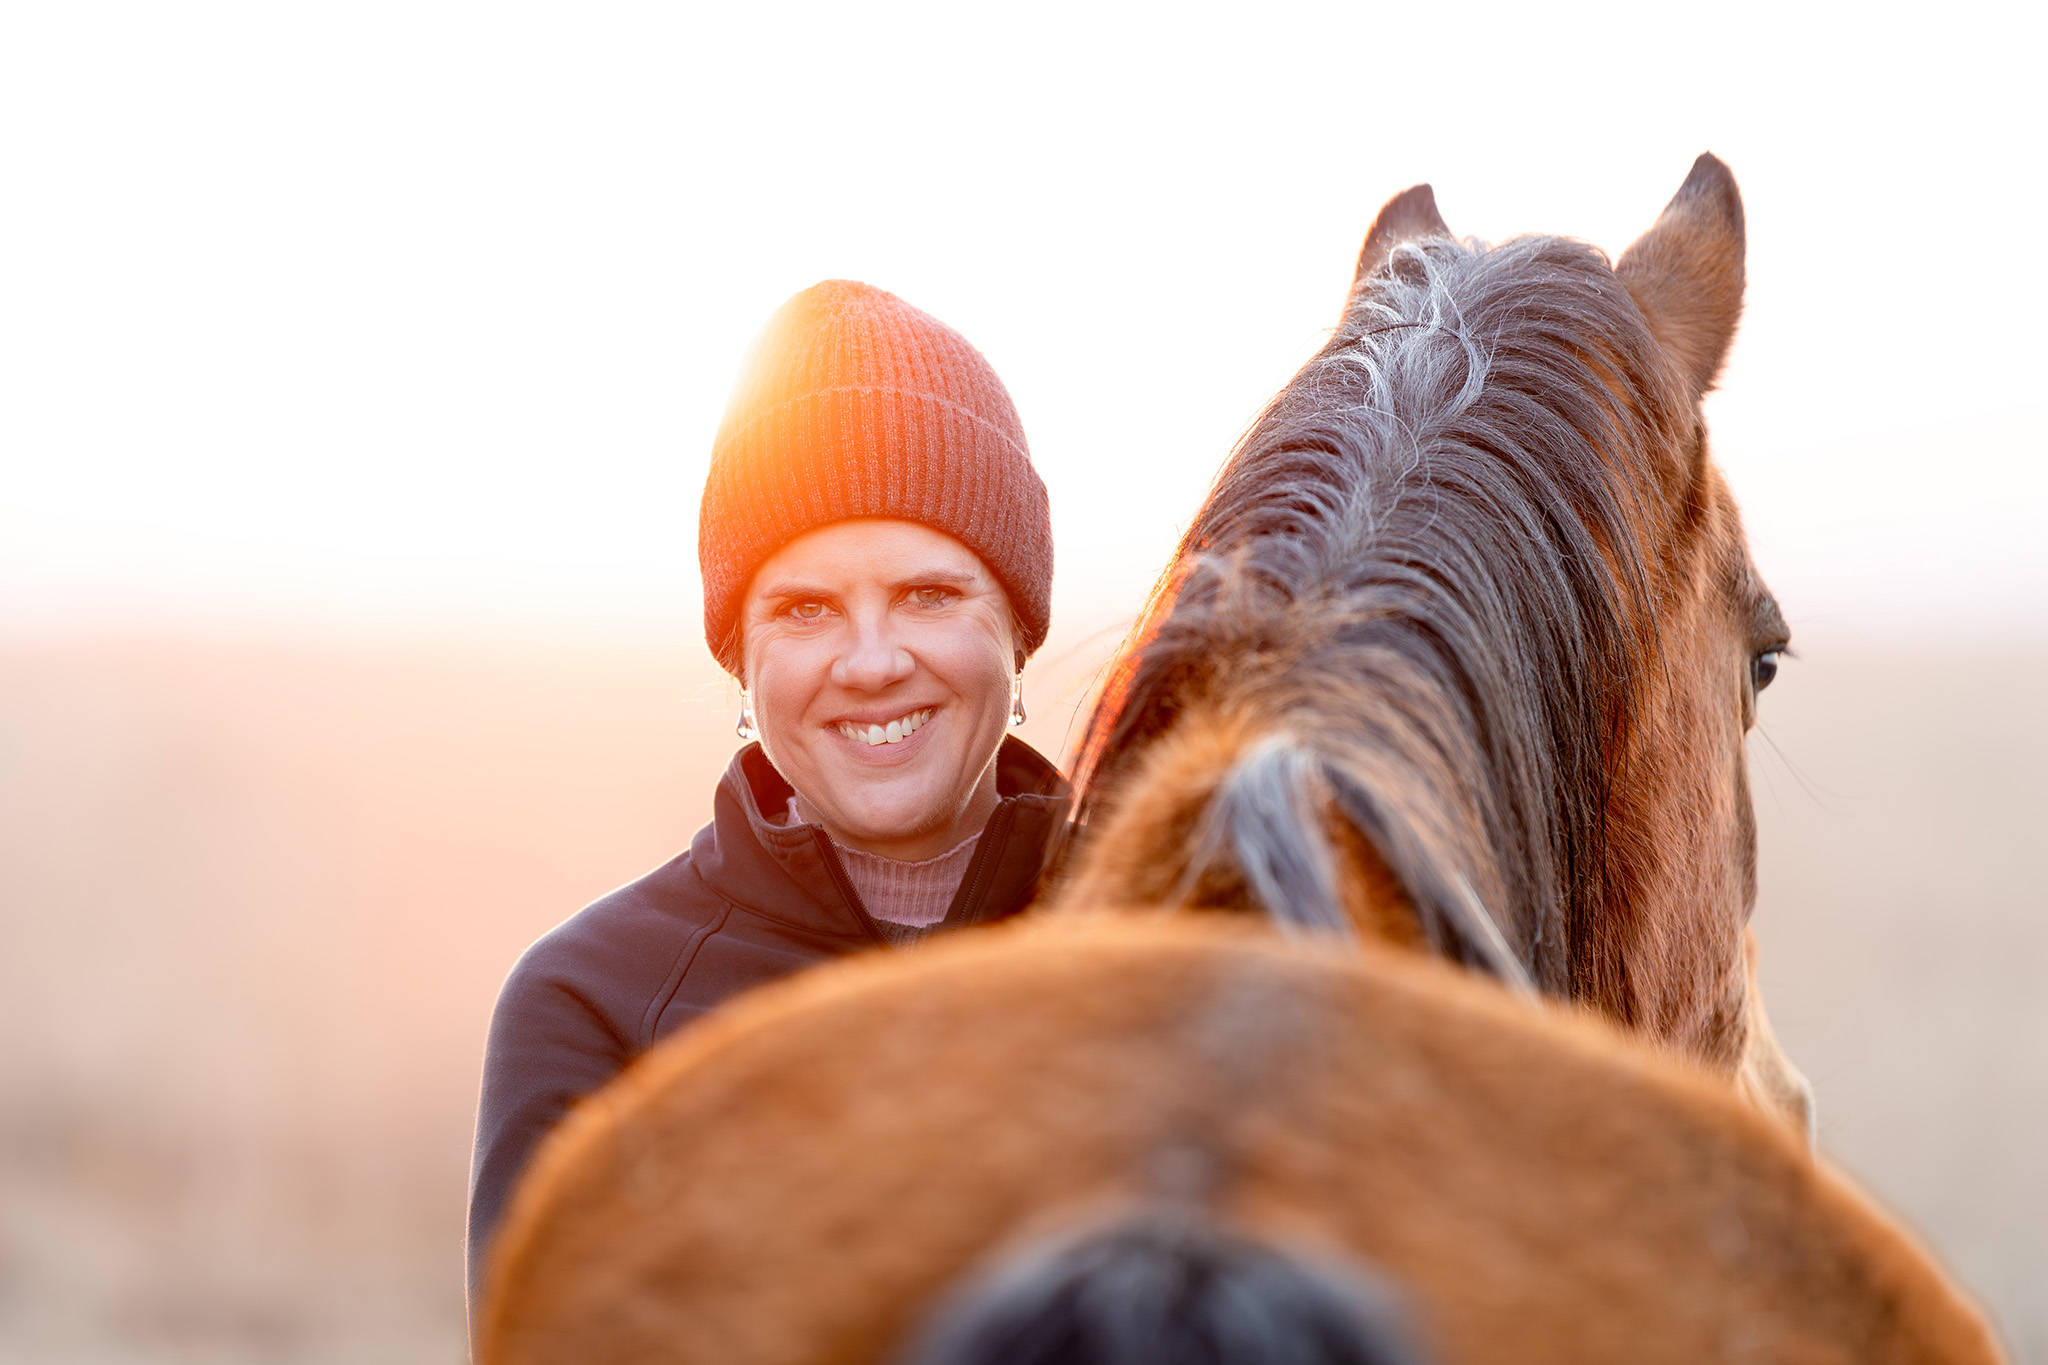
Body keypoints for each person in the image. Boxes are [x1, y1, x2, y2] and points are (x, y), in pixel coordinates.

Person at [464, 280, 1068, 1315]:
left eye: (928, 594)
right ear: (741, 664)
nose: (871, 662)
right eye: (803, 609)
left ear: (1016, 629)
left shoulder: (1179, 937)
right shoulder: (596, 1005)